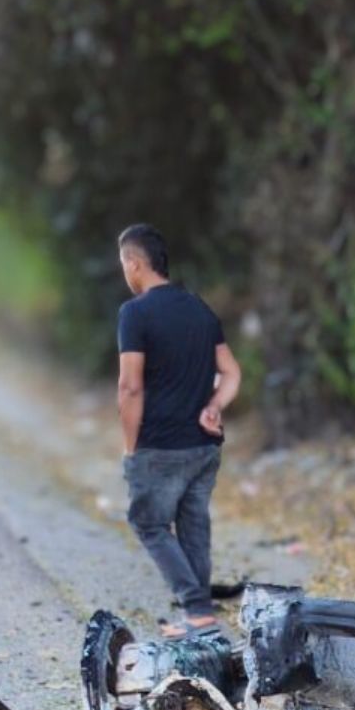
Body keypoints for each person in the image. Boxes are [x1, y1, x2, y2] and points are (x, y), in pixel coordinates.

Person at [116, 223, 241, 636]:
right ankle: (199, 617)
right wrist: (214, 405)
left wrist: (131, 447)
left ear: (134, 263)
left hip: (161, 444)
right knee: (193, 524)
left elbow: (130, 386)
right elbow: (231, 372)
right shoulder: (198, 308)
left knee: (149, 524)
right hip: (203, 447)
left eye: (123, 264)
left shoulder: (134, 313)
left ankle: (196, 608)